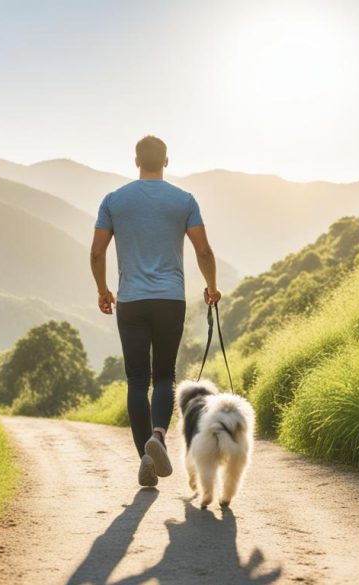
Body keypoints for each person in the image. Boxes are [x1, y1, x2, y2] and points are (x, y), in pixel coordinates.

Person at [90, 135, 221, 487]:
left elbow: (97, 253)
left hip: (130, 300)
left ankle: (146, 460)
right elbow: (204, 252)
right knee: (163, 375)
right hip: (169, 300)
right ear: (167, 161)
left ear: (136, 161)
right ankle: (158, 437)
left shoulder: (114, 201)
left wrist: (104, 290)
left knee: (136, 380)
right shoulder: (184, 201)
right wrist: (211, 287)